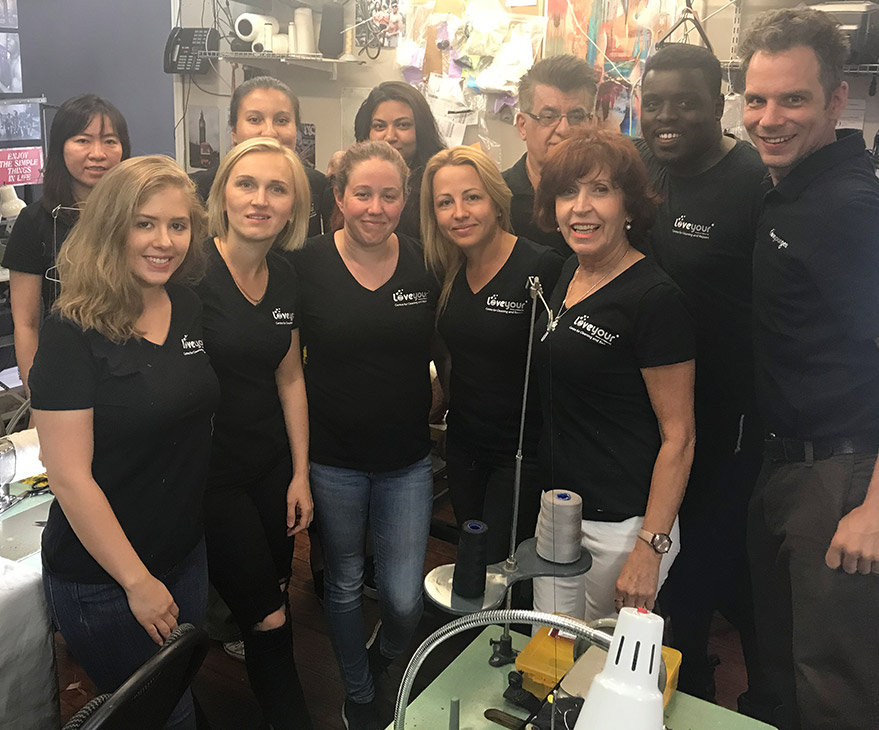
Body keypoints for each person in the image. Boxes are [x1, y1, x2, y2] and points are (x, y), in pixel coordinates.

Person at [29, 156, 216, 730]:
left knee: (176, 695)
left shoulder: (186, 305)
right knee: (164, 717)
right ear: (112, 228)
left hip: (184, 554)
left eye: (178, 225)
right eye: (145, 224)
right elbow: (68, 477)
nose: (165, 241)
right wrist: (137, 582)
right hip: (106, 579)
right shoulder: (70, 332)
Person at [740, 9, 879, 729]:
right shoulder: (792, 188)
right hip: (786, 466)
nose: (769, 119)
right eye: (756, 99)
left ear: (835, 100)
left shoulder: (848, 207)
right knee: (782, 671)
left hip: (842, 477)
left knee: (831, 687)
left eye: (792, 99)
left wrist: (875, 507)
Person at [635, 43, 774, 716]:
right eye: (654, 102)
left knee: (693, 583)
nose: (666, 117)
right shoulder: (642, 168)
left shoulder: (752, 182)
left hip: (724, 422)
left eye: (685, 102)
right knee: (654, 579)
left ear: (719, 105)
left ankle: (700, 698)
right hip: (650, 413)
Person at [289, 140, 437, 730]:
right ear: (340, 196)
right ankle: (358, 689)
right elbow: (286, 367)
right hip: (333, 460)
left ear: (405, 198)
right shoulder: (305, 264)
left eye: (389, 195)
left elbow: (446, 349)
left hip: (408, 461)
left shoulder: (426, 263)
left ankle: (384, 657)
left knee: (403, 599)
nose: (376, 208)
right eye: (363, 194)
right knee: (346, 581)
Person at [531, 127, 695, 621]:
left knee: (601, 663)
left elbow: (680, 437)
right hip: (559, 510)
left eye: (600, 190)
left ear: (628, 207)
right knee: (550, 653)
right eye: (568, 192)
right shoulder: (570, 272)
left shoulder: (655, 299)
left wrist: (650, 546)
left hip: (622, 527)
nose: (580, 208)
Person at [197, 137, 314, 728]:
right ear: (222, 195)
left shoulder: (286, 276)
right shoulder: (191, 272)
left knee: (276, 591)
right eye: (246, 184)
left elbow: (289, 377)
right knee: (268, 616)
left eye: (277, 188)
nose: (260, 200)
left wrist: (300, 473)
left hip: (270, 466)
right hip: (211, 476)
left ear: (293, 208)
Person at [422, 145, 564, 565]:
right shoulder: (448, 268)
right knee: (472, 557)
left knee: (503, 568)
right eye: (445, 202)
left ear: (497, 202)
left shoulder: (543, 267)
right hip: (464, 444)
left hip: (521, 453)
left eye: (472, 197)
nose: (459, 213)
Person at [3, 94, 129, 395]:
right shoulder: (34, 222)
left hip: (132, 369)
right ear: (61, 146)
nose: (98, 153)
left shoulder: (138, 216)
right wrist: (36, 393)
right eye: (83, 140)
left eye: (110, 141)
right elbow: (26, 323)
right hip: (64, 373)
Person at [191, 75, 331, 237]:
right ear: (234, 132)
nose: (269, 132)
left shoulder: (317, 185)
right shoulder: (196, 191)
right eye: (255, 119)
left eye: (282, 120)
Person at [503, 55, 598, 257]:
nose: (564, 129)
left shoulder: (608, 200)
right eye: (548, 117)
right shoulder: (496, 198)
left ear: (591, 123)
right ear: (522, 126)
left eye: (576, 116)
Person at [352, 80, 446, 240]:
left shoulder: (440, 179)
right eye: (379, 126)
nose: (390, 137)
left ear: (422, 130)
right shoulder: (349, 176)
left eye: (403, 125)